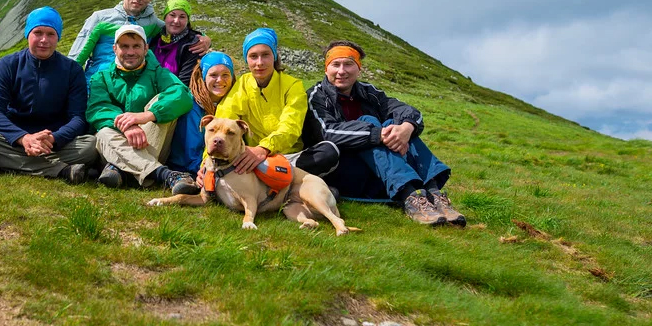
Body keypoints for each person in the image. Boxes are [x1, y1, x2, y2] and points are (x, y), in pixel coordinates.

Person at [303, 40, 464, 226]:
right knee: (369, 122)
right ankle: (410, 197)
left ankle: (434, 195)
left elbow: (410, 112)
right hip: (342, 173)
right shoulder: (316, 96)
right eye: (335, 64)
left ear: (359, 69)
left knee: (396, 124)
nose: (341, 71)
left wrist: (406, 128)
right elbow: (328, 133)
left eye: (348, 64)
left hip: (379, 173)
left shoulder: (369, 92)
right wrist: (377, 135)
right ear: (326, 69)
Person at [0, 6, 98, 183]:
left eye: (50, 34)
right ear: (27, 35)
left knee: (91, 146)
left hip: (52, 143)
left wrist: (53, 138)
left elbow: (78, 118)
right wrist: (23, 138)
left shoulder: (72, 70)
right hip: (12, 139)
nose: (43, 40)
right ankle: (59, 169)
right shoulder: (8, 64)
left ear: (58, 37)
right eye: (38, 32)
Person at [86, 24, 198, 194]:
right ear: (114, 49)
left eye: (136, 46)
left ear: (146, 49)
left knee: (162, 102)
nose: (130, 52)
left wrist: (146, 116)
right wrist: (126, 125)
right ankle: (165, 174)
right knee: (103, 133)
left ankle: (119, 168)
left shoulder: (158, 73)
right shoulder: (101, 77)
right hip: (116, 141)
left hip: (148, 144)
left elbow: (183, 95)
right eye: (124, 46)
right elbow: (97, 109)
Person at [213, 27, 340, 178]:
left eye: (265, 55)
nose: (259, 62)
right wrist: (207, 164)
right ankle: (289, 181)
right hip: (250, 156)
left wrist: (264, 148)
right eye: (253, 56)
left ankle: (267, 177)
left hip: (288, 157)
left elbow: (291, 127)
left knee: (328, 152)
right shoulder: (241, 85)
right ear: (246, 59)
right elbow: (221, 123)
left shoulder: (292, 85)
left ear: (274, 56)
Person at [68, 0, 210, 81]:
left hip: (135, 86)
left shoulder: (152, 23)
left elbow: (175, 29)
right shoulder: (100, 18)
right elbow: (77, 58)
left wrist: (205, 38)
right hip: (97, 83)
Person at [165, 51, 235, 175]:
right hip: (189, 166)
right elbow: (191, 153)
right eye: (213, 75)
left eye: (225, 75)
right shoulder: (193, 106)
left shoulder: (234, 103)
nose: (220, 80)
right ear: (203, 77)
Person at [148, 0, 202, 84]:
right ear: (165, 17)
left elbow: (184, 82)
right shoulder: (154, 38)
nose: (176, 21)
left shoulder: (194, 46)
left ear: (187, 21)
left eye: (182, 17)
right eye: (172, 15)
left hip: (175, 93)